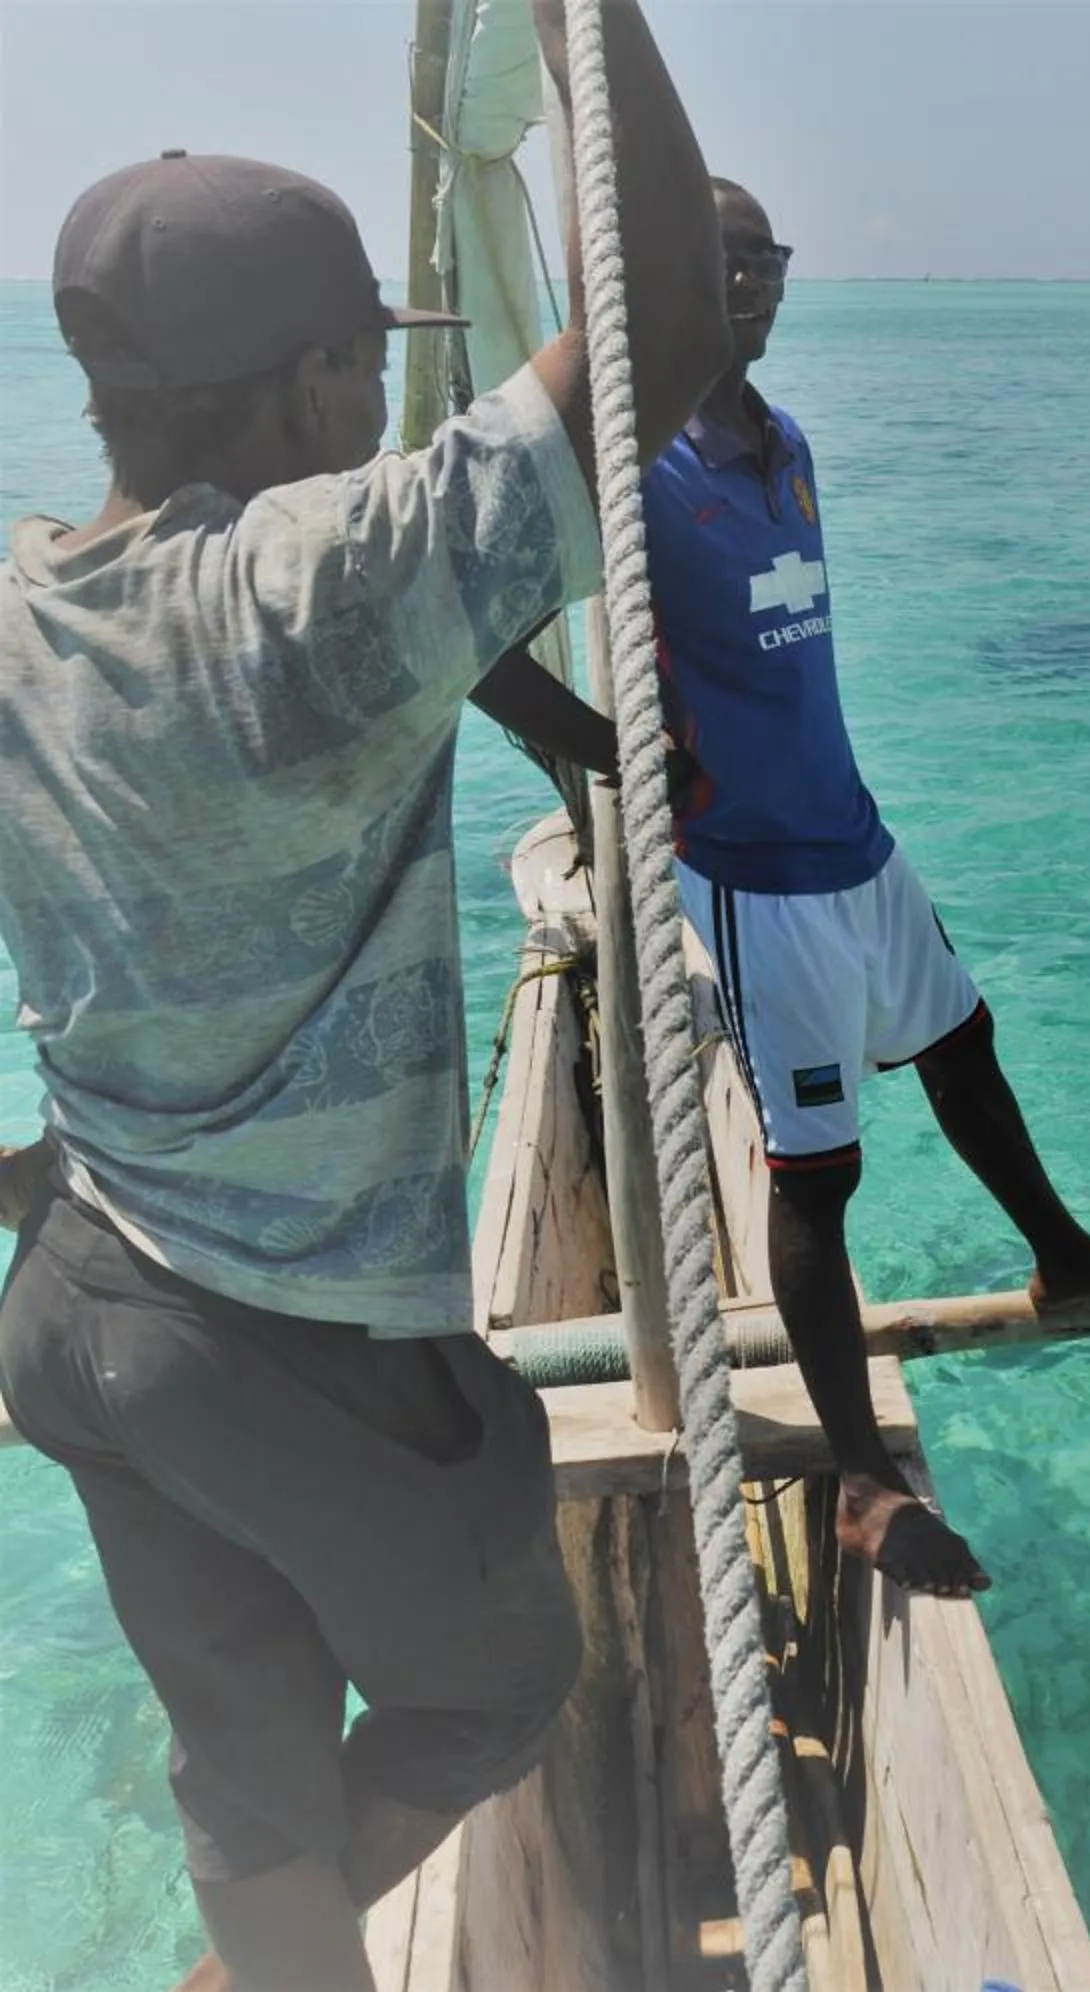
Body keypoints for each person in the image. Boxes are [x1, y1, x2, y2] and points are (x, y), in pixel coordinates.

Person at [0, 3, 729, 1985]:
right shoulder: (330, 581)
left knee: (240, 1774)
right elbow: (669, 310)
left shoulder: (18, 607)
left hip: (68, 1312)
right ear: (318, 375)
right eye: (362, 367)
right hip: (290, 1337)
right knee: (491, 1687)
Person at [635, 177, 1090, 1600]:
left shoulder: (788, 444)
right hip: (753, 880)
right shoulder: (633, 468)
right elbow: (489, 642)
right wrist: (617, 762)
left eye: (768, 257)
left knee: (964, 1042)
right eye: (720, 261)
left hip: (853, 833)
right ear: (657, 272)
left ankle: (1063, 1253)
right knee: (816, 1175)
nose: (753, 281)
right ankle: (858, 1480)